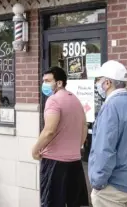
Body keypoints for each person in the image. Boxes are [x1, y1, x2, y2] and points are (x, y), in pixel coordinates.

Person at [32, 67, 89, 207]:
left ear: (59, 83)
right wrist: (76, 147)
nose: (44, 84)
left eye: (47, 80)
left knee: (51, 203)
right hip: (75, 162)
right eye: (43, 80)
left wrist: (35, 149)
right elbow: (84, 127)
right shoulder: (75, 100)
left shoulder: (53, 100)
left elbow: (49, 131)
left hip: (54, 163)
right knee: (74, 203)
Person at [89, 60, 127, 207]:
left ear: (107, 83)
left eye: (99, 80)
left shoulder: (111, 107)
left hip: (113, 188)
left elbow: (104, 149)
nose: (97, 83)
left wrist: (97, 182)